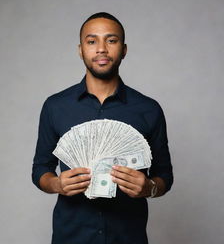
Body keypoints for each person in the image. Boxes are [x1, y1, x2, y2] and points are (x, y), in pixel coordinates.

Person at [32, 12, 173, 244]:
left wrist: (149, 188)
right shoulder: (55, 106)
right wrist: (56, 183)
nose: (101, 49)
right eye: (91, 41)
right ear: (80, 50)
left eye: (111, 40)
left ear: (124, 50)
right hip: (71, 237)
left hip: (129, 237)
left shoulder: (149, 109)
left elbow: (164, 175)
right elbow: (40, 169)